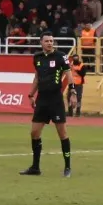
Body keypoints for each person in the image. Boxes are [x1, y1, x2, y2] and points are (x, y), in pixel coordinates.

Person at [21, 34, 73, 177]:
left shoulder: (61, 56)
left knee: (62, 134)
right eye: (47, 41)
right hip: (42, 99)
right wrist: (31, 95)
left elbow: (68, 74)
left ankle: (67, 167)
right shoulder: (37, 57)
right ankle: (35, 167)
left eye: (51, 41)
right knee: (34, 133)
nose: (50, 43)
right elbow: (37, 77)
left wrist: (73, 92)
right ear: (41, 43)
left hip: (55, 99)